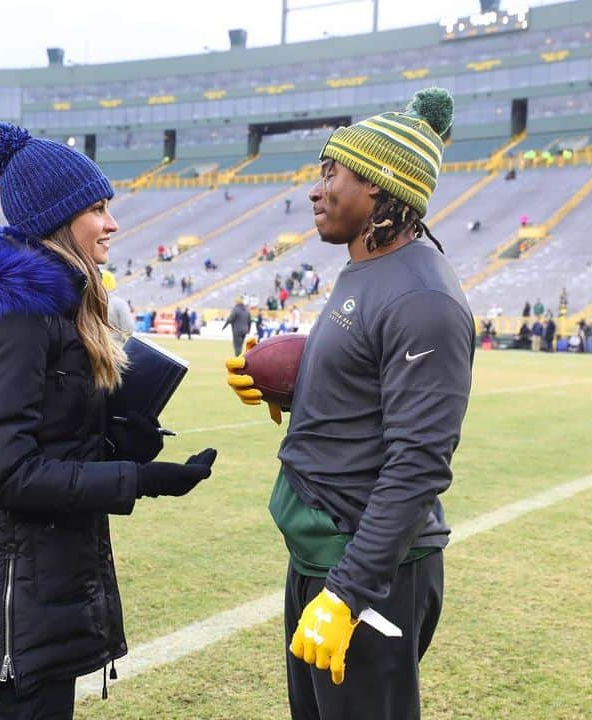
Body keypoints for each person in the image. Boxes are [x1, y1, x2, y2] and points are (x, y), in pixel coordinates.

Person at [0, 122, 217, 719]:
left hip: (51, 581)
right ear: (58, 217)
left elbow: (55, 446)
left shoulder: (58, 307)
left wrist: (125, 442)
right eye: (98, 208)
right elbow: (10, 474)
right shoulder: (15, 315)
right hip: (19, 589)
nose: (112, 224)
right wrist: (138, 480)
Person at [225, 88, 473, 720]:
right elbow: (364, 379)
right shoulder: (368, 268)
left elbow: (419, 461)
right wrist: (286, 383)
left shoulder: (425, 298)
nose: (317, 189)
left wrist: (347, 594)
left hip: (367, 570)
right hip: (321, 550)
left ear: (382, 187)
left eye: (332, 173)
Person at [102, 270, 134, 346]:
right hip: (115, 346)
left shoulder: (86, 303)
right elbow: (129, 329)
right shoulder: (119, 303)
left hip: (92, 348)